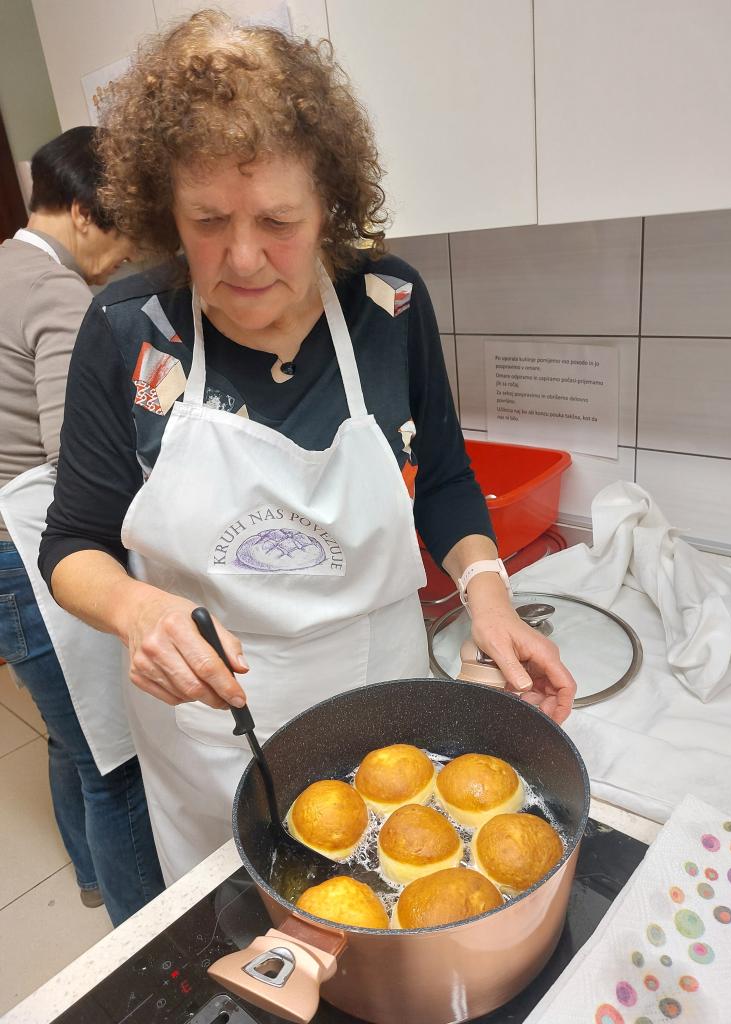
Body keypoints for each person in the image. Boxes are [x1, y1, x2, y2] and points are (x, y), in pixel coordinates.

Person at [39, 12, 577, 883]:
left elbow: (444, 479)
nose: (244, 257)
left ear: (330, 206)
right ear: (167, 213)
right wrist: (137, 612)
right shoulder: (129, 330)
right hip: (213, 733)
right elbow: (72, 543)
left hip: (383, 703)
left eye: (278, 220)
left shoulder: (389, 304)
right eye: (208, 220)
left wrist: (490, 599)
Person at [0, 127, 165, 924]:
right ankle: (148, 945)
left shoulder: (4, 265)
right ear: (82, 211)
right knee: (116, 763)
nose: (128, 253)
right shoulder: (59, 295)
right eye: (124, 228)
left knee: (71, 739)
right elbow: (79, 464)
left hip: (5, 561)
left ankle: (92, 878)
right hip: (33, 558)